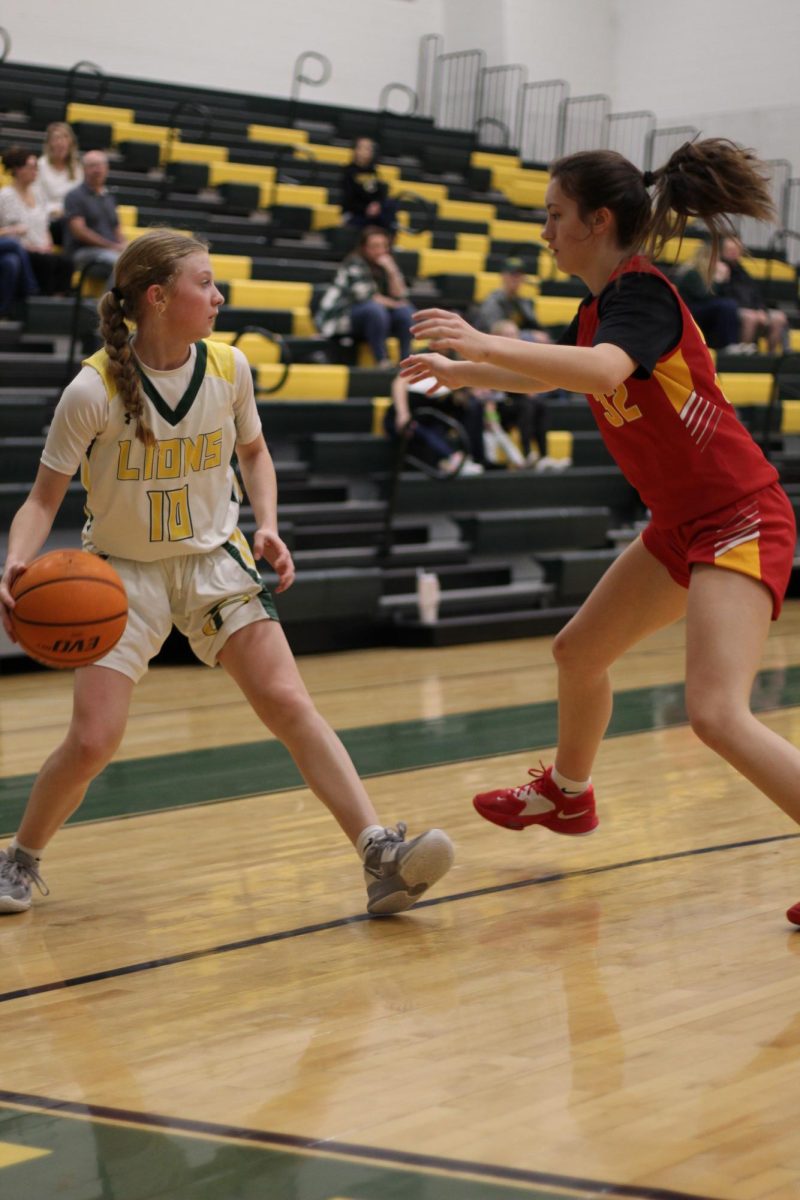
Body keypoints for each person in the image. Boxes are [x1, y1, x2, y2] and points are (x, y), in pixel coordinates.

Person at [399, 139, 800, 926]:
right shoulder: (600, 307)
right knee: (578, 652)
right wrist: (468, 373)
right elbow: (566, 366)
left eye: (555, 216)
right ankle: (569, 796)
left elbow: (603, 372)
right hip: (683, 524)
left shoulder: (642, 294)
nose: (545, 231)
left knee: (716, 713)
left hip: (738, 515)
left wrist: (478, 341)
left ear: (598, 220)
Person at [0, 228, 454, 917]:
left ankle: (378, 853)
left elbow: (256, 453)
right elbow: (42, 499)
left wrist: (266, 522)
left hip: (215, 558)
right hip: (121, 574)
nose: (218, 295)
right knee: (94, 740)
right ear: (157, 298)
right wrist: (16, 561)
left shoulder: (230, 367)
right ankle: (21, 858)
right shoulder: (90, 391)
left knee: (287, 701)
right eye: (204, 283)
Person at [315, 226, 413, 366]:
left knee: (405, 312)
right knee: (375, 310)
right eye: (375, 246)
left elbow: (401, 295)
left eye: (384, 246)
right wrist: (397, 304)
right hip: (343, 316)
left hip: (377, 318)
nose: (380, 250)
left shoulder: (386, 264)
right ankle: (382, 360)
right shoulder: (354, 262)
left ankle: (407, 361)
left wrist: (392, 271)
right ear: (364, 247)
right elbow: (367, 296)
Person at [0, 146, 73, 295]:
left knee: (67, 262)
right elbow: (10, 231)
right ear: (18, 170)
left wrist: (48, 244)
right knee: (46, 262)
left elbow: (45, 225)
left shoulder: (38, 194)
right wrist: (34, 248)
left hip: (41, 247)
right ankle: (38, 303)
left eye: (36, 167)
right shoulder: (6, 196)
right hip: (24, 249)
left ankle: (58, 303)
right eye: (31, 167)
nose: (35, 171)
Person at [385, 372, 485, 475]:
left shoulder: (452, 368)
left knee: (473, 408)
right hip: (406, 418)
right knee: (424, 432)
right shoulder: (423, 366)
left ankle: (466, 457)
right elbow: (399, 382)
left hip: (429, 420)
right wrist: (402, 413)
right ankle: (452, 458)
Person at [63, 149, 127, 285]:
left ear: (107, 169)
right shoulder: (74, 196)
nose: (97, 170)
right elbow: (79, 231)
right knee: (120, 264)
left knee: (136, 263)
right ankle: (106, 306)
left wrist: (125, 246)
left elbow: (116, 228)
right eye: (92, 165)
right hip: (83, 253)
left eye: (101, 165)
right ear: (84, 169)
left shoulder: (109, 197)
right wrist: (111, 246)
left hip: (109, 251)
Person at [717, 235, 789, 354]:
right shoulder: (720, 269)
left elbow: (756, 295)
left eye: (736, 250)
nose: (734, 253)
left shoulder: (743, 272)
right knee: (751, 317)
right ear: (722, 251)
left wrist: (761, 310)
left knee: (779, 318)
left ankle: (771, 357)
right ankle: (744, 355)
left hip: (752, 309)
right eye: (730, 250)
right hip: (734, 311)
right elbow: (722, 297)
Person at [674, 242, 743, 353]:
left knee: (729, 304)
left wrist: (724, 280)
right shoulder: (692, 273)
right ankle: (729, 344)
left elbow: (721, 295)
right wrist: (718, 280)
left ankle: (733, 344)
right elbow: (703, 295)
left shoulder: (709, 273)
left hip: (703, 307)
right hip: (689, 310)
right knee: (727, 305)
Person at [474, 258, 552, 343]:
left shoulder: (523, 302)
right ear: (503, 276)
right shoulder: (493, 301)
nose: (516, 279)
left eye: (519, 275)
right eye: (512, 274)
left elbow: (534, 326)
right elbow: (495, 331)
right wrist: (529, 335)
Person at [341, 137, 397, 233]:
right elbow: (348, 198)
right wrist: (366, 208)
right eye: (364, 148)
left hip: (374, 212)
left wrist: (377, 205)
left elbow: (380, 193)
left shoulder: (374, 171)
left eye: (370, 148)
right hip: (356, 213)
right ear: (356, 150)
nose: (367, 151)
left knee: (391, 204)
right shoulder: (348, 171)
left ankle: (390, 240)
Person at [37, 122, 83, 238]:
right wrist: (55, 210)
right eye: (56, 138)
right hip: (48, 218)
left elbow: (81, 198)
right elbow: (36, 198)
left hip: (71, 216)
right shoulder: (40, 166)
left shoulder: (77, 168)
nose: (60, 142)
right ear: (49, 143)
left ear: (71, 142)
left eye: (65, 137)